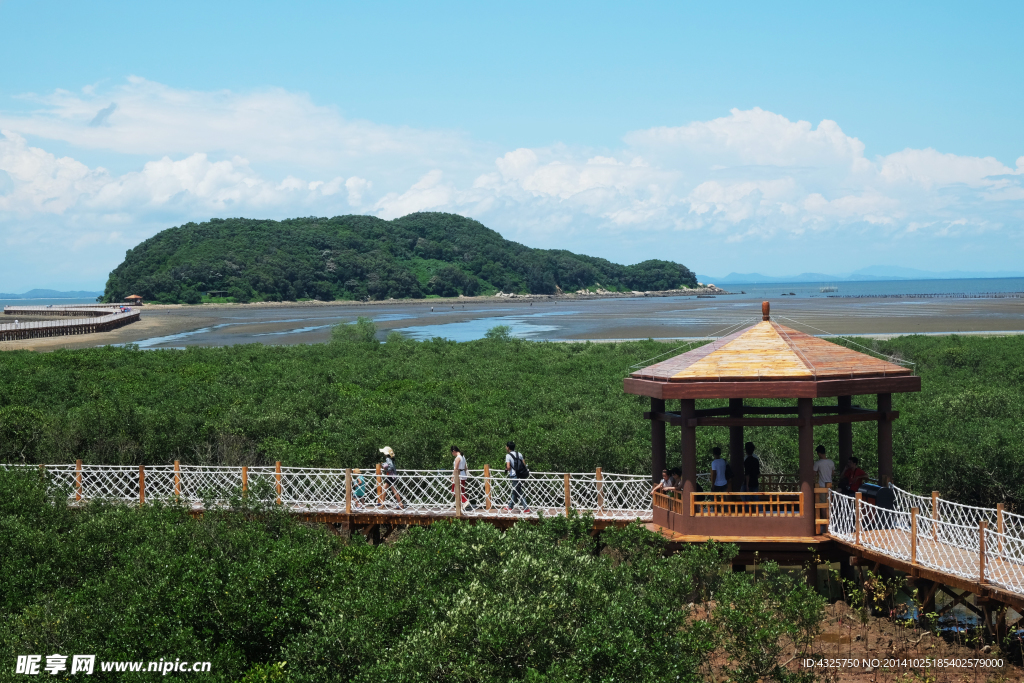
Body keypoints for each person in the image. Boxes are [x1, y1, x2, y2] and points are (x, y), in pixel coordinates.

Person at [502, 441, 531, 513]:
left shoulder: (508, 456)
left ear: (508, 447)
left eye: (506, 446)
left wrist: (507, 469)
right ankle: (510, 506)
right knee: (516, 490)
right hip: (520, 475)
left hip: (514, 475)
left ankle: (526, 508)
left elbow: (508, 467)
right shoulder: (519, 454)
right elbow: (524, 464)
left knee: (518, 491)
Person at [452, 445, 472, 510]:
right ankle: (461, 504)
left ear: (454, 451)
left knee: (454, 490)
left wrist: (452, 476)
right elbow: (465, 467)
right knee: (462, 490)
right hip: (463, 474)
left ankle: (465, 501)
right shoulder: (463, 457)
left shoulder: (458, 458)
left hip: (459, 475)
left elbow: (456, 468)